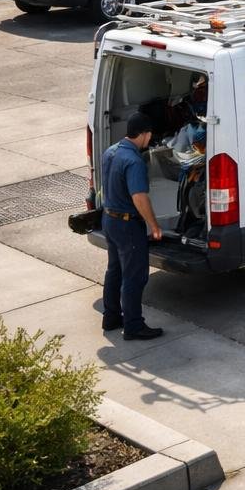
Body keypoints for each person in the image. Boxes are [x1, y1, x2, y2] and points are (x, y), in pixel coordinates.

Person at [99, 113, 164, 341]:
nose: (150, 139)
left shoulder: (111, 151)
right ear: (144, 134)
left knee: (114, 270)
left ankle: (111, 317)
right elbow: (139, 197)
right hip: (127, 225)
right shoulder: (134, 161)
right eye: (150, 135)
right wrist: (154, 225)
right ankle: (134, 325)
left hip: (109, 220)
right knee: (134, 276)